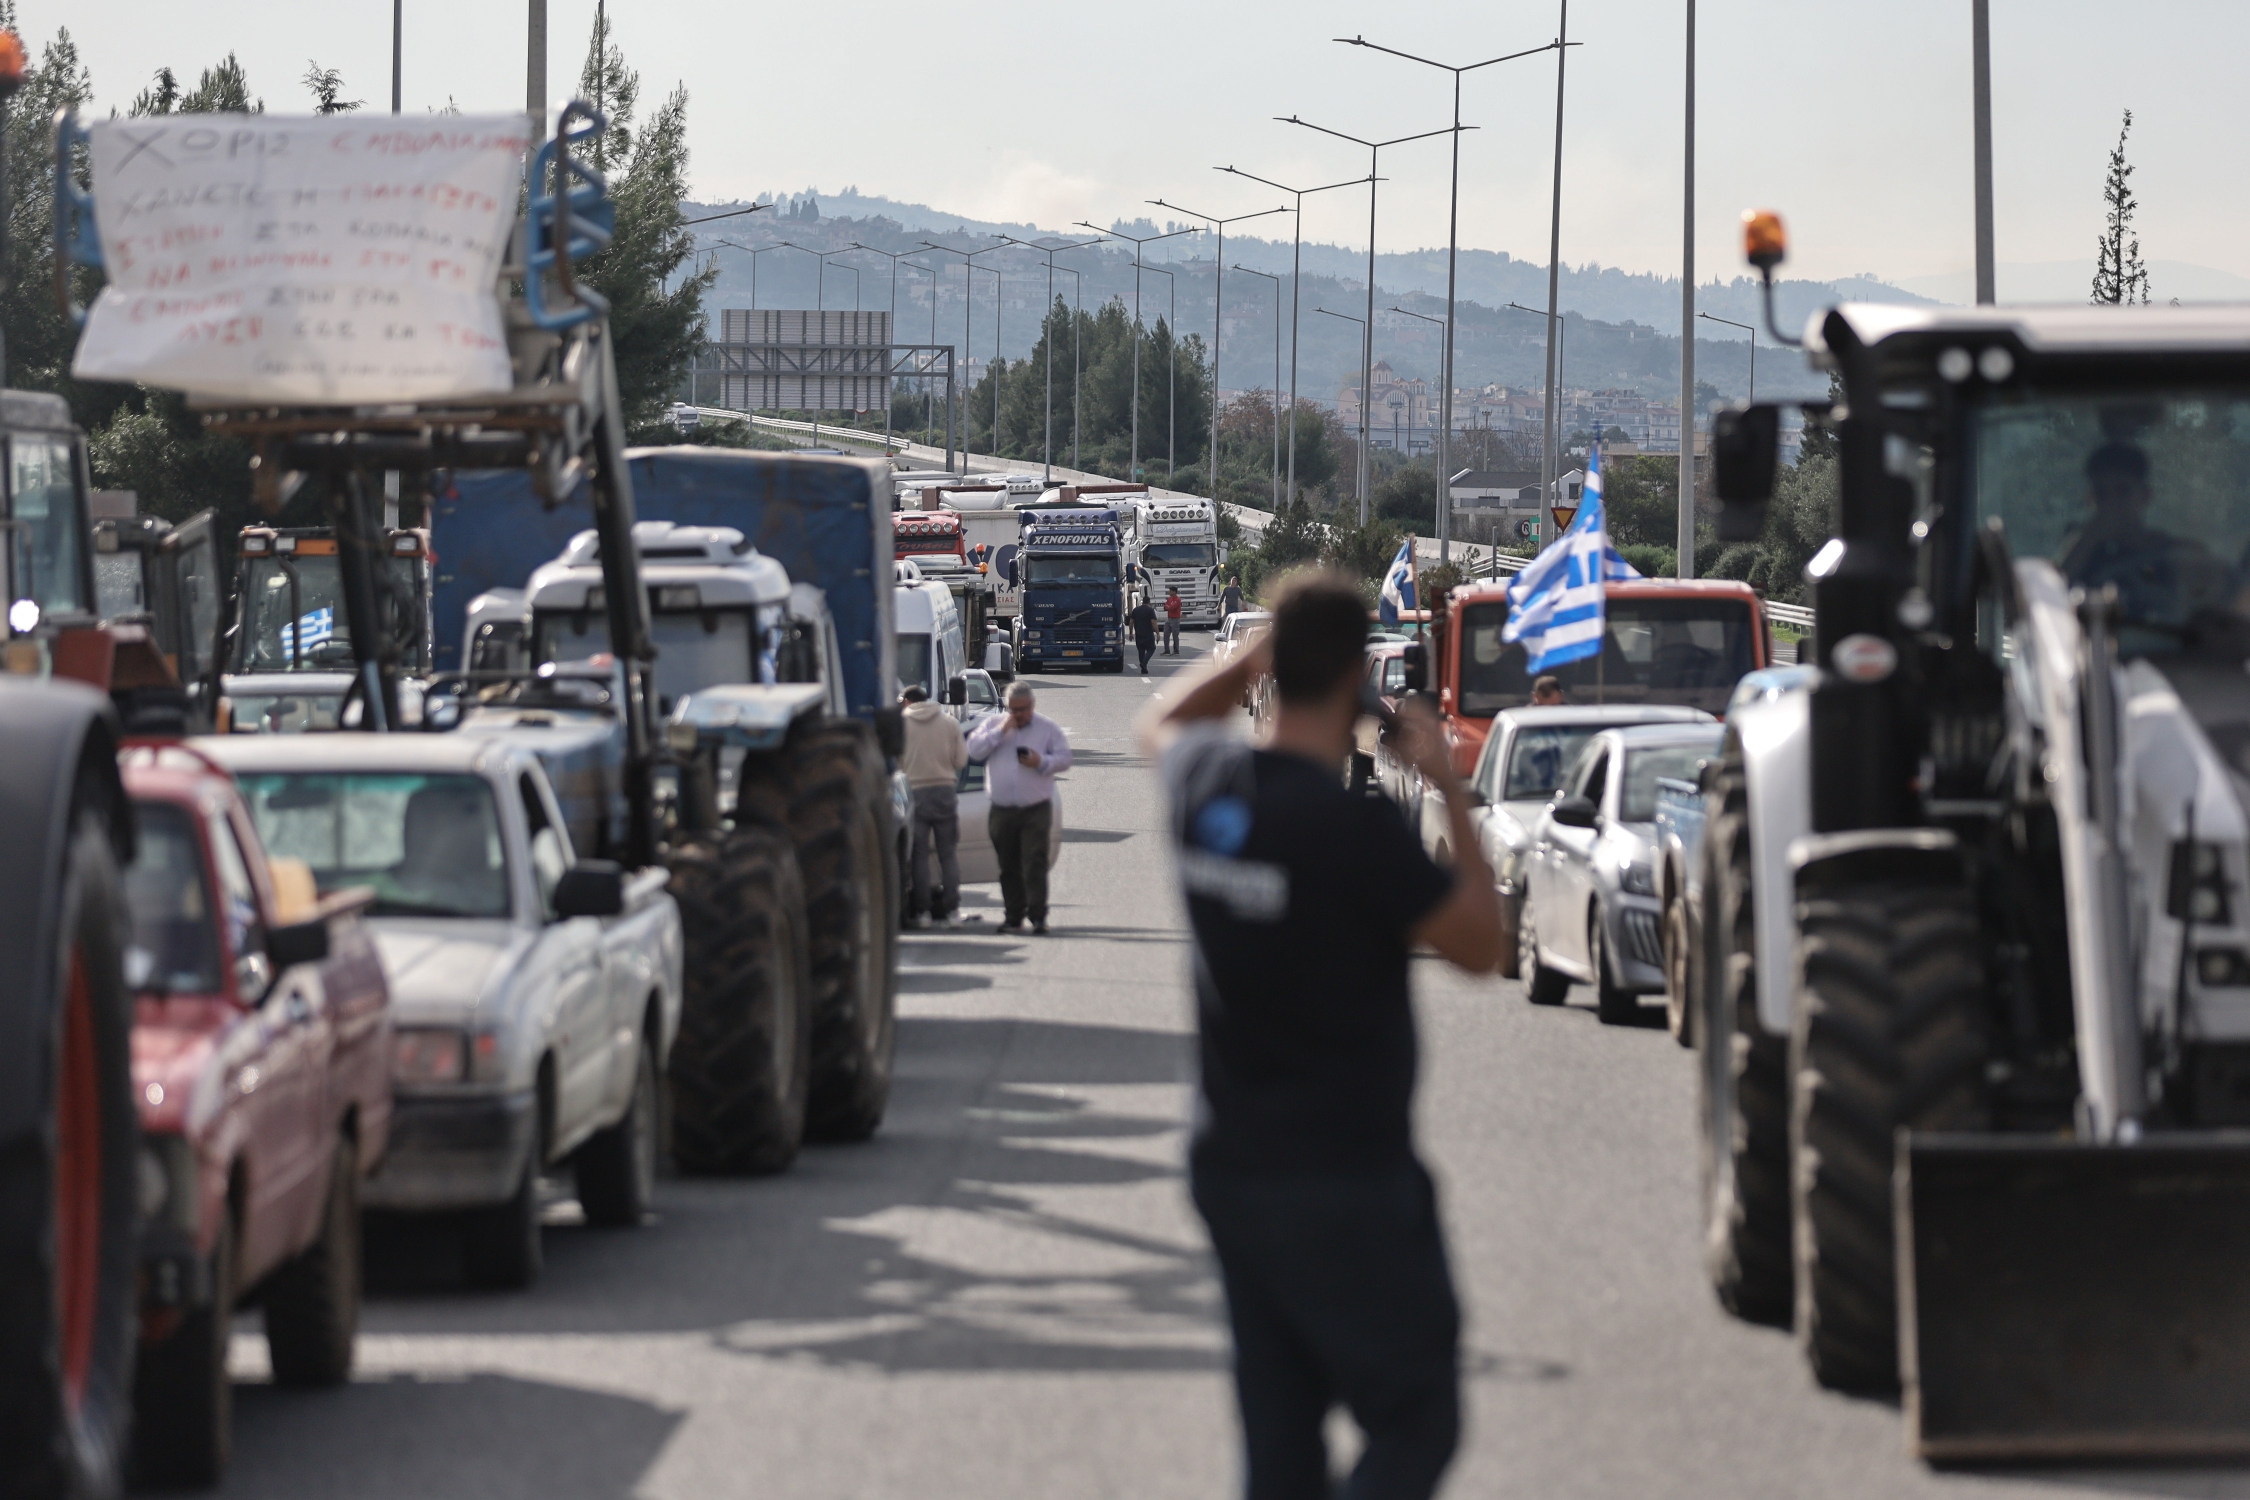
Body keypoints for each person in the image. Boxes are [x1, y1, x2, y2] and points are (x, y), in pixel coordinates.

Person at [1141, 570, 1502, 1500]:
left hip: (1234, 1164)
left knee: (1280, 1443)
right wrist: (1449, 788)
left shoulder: (1207, 790)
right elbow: (1480, 946)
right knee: (1416, 1419)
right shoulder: (1356, 830)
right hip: (1348, 1176)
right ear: (1356, 679)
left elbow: (1162, 724)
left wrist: (1251, 659)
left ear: (1274, 667)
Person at [966, 683, 1073, 934]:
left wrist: (1041, 761)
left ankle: (1038, 916)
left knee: (1034, 862)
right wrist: (1000, 731)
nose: (1018, 715)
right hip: (1002, 809)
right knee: (1008, 865)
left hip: (1035, 808)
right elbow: (974, 750)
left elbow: (1065, 758)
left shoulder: (1047, 728)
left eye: (1022, 709)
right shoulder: (994, 725)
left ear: (1032, 706)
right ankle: (1013, 916)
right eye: (1013, 709)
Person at [899, 684, 968, 927]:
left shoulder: (902, 724)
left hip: (915, 792)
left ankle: (923, 913)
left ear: (907, 701)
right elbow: (961, 760)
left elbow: (896, 763)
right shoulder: (949, 722)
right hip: (945, 791)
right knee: (948, 854)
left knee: (918, 855)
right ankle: (953, 912)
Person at [1129, 593, 1159, 675]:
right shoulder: (1150, 610)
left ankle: (1143, 669)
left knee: (1141, 651)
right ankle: (1144, 663)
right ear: (1149, 602)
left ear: (1142, 602)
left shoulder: (1136, 610)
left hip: (1138, 634)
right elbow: (1153, 622)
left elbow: (1131, 622)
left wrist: (1131, 633)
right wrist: (1157, 633)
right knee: (1151, 648)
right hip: (1148, 634)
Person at [1164, 586, 1184, 656]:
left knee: (1175, 635)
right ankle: (1167, 650)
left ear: (1174, 592)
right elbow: (1165, 606)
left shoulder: (1177, 599)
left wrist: (1169, 607)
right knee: (1166, 634)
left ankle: (1176, 650)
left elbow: (1173, 607)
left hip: (1175, 619)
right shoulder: (1169, 599)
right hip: (1169, 618)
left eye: (1170, 591)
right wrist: (1168, 607)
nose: (1169, 592)